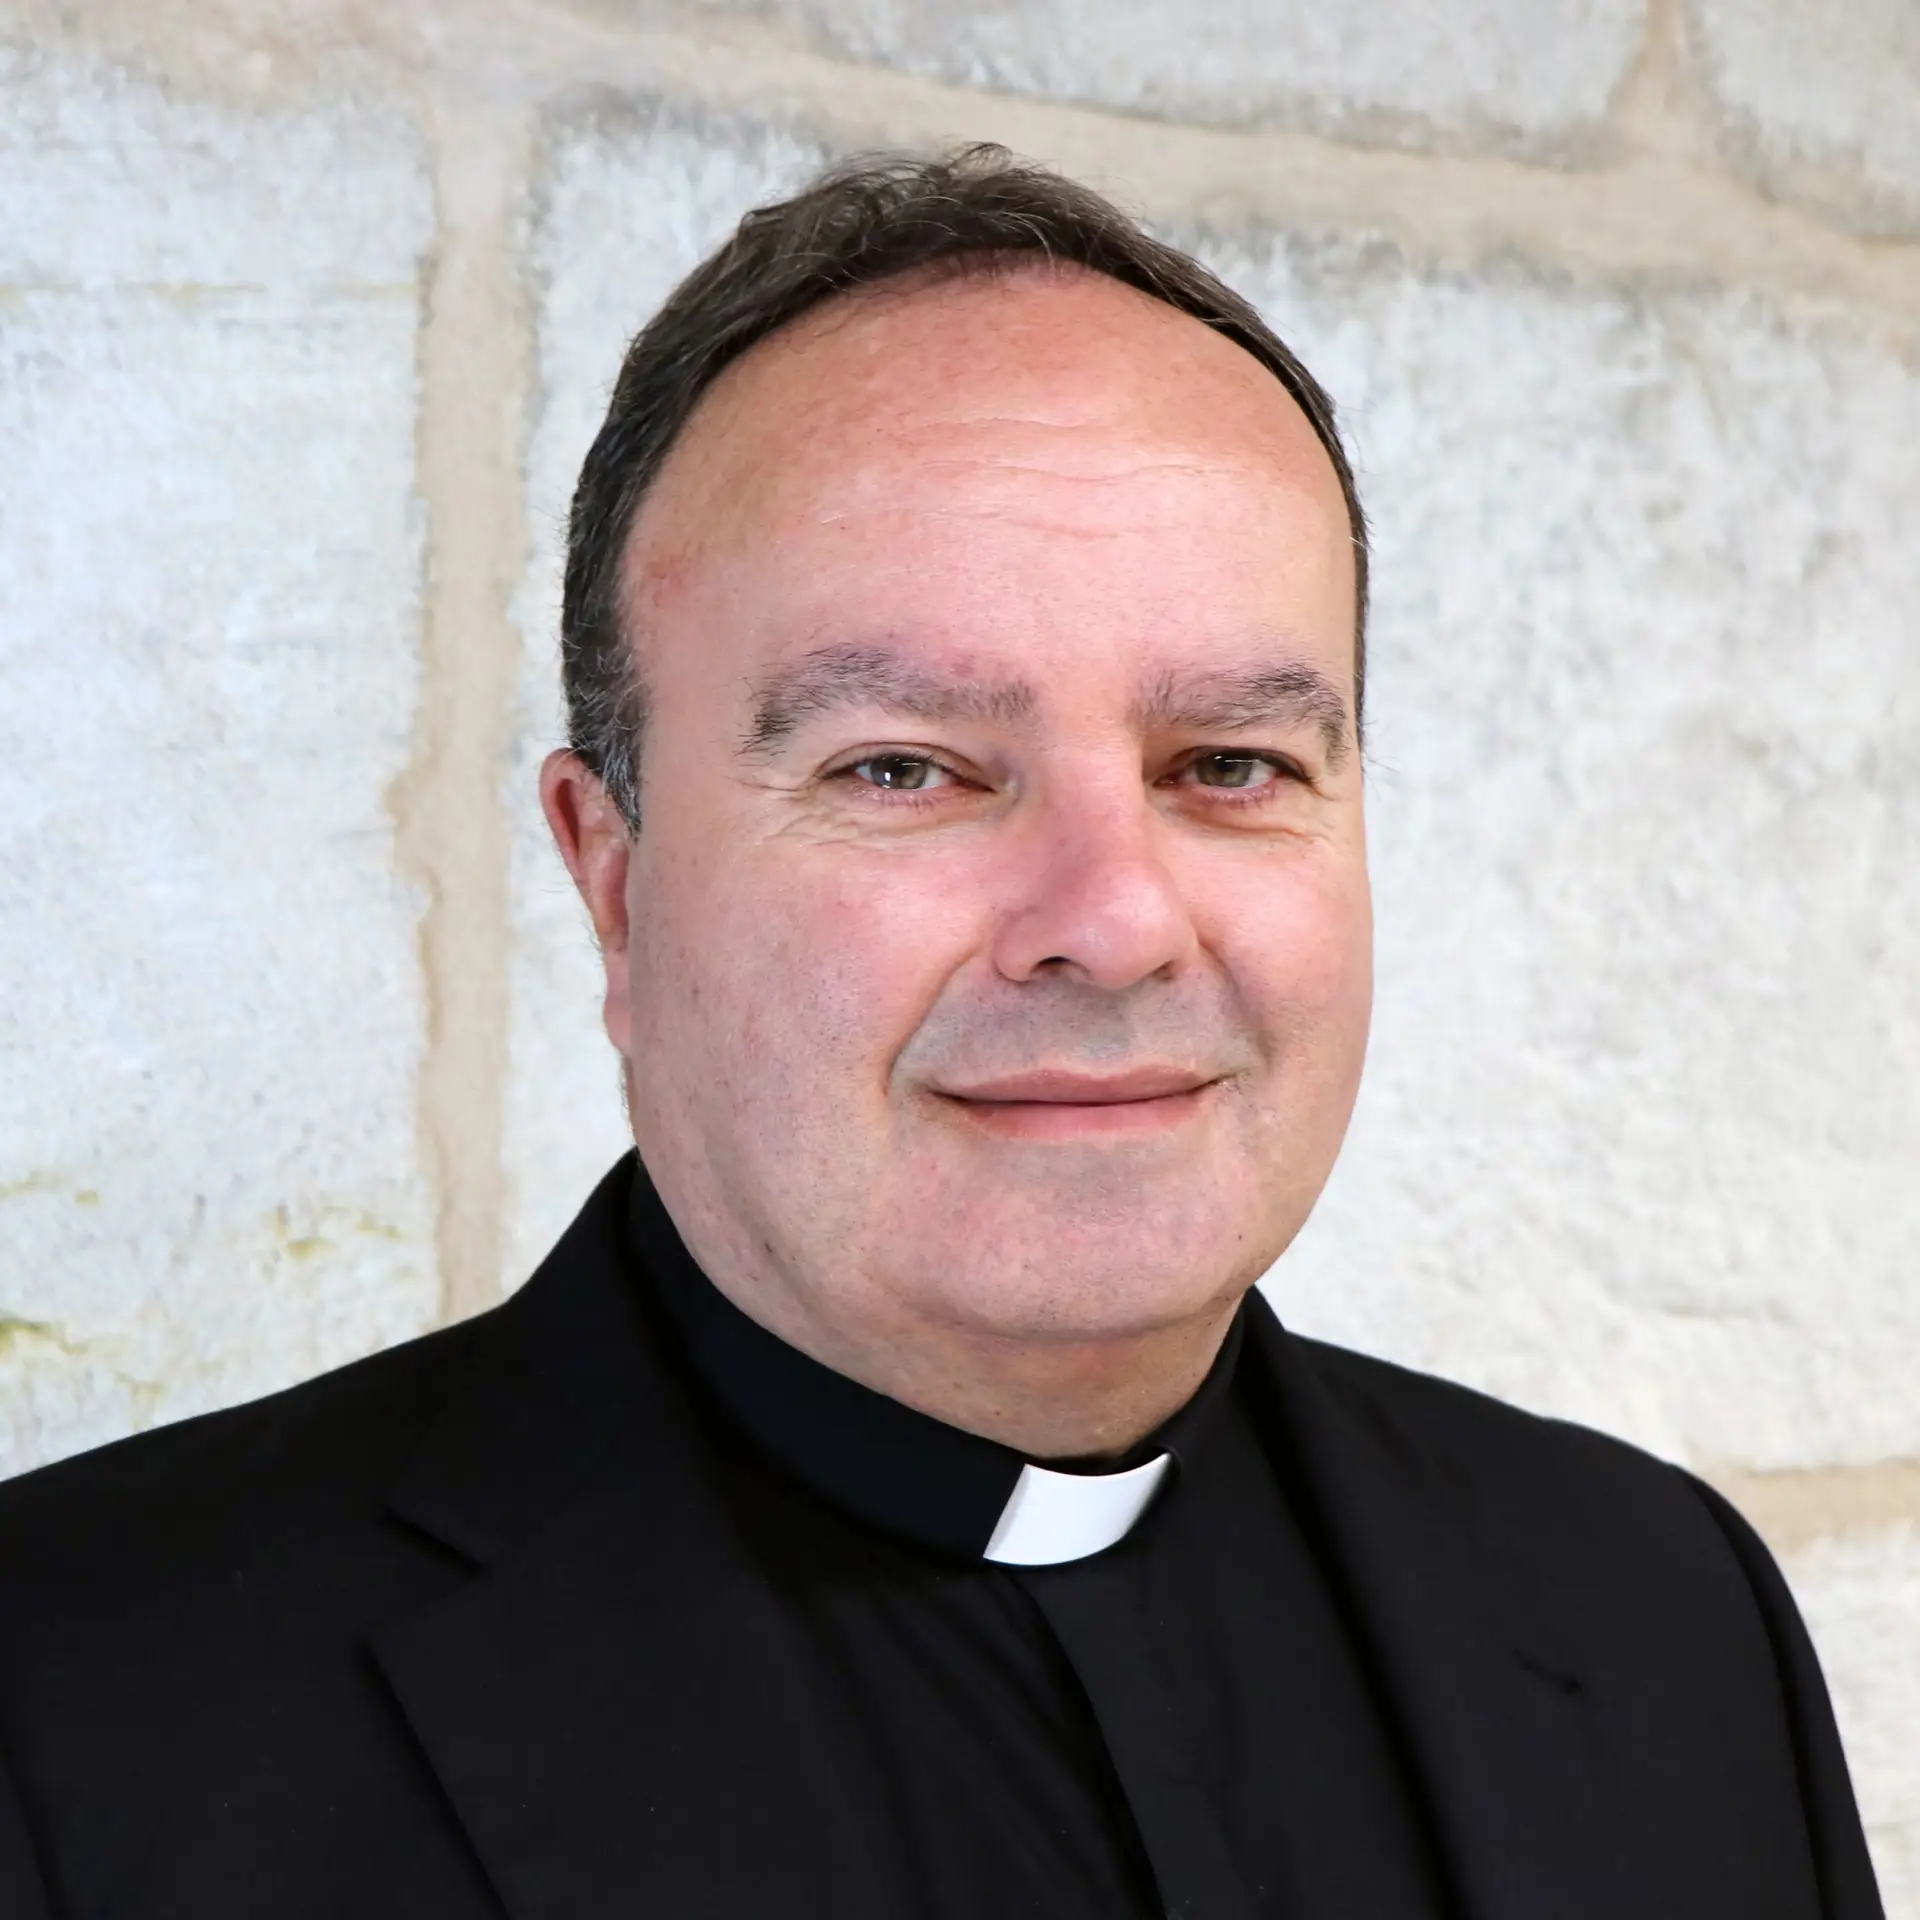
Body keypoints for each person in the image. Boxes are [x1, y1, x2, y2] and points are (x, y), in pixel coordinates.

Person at [0, 147, 1882, 1920]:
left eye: (1231, 764)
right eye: (902, 767)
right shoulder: (73, 1712)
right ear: (616, 881)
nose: (1115, 921)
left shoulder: (1664, 1615)